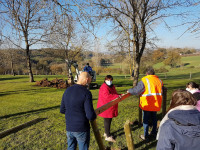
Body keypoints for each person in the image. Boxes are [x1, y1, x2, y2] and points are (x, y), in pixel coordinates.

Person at [60, 72, 97, 150]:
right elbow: (90, 115)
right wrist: (94, 115)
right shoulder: (86, 93)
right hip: (81, 128)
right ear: (87, 80)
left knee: (70, 148)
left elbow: (62, 110)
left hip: (69, 127)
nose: (91, 80)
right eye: (90, 78)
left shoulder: (67, 90)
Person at [127, 67, 163, 140]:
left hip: (147, 104)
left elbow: (136, 91)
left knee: (145, 120)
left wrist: (129, 90)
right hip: (156, 103)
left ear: (147, 73)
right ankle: (153, 132)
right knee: (154, 118)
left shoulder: (144, 80)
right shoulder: (159, 80)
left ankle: (146, 135)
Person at [97, 75, 121, 142]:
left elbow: (115, 93)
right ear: (105, 80)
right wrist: (117, 96)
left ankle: (106, 133)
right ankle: (107, 136)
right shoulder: (104, 87)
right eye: (108, 80)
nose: (109, 81)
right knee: (107, 119)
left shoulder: (112, 86)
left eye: (110, 80)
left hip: (110, 105)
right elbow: (106, 96)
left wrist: (120, 95)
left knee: (108, 119)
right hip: (105, 105)